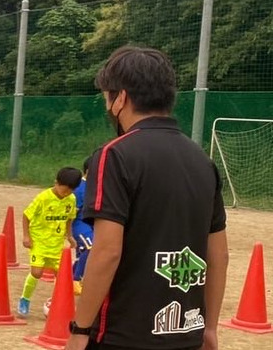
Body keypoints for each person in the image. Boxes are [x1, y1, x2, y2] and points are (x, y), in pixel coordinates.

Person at [66, 46, 228, 350]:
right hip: (187, 332)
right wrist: (210, 327)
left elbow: (107, 252)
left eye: (107, 98)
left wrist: (80, 329)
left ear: (121, 98)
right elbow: (218, 255)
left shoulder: (114, 155)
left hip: (124, 334)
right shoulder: (202, 161)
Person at [18, 167, 81, 318]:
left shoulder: (71, 199)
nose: (66, 194)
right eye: (64, 190)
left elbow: (70, 218)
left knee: (62, 276)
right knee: (37, 272)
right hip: (39, 241)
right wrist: (26, 236)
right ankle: (24, 299)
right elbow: (26, 216)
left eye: (70, 191)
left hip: (57, 243)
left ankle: (56, 303)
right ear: (56, 183)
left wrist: (70, 236)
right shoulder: (43, 198)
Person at [72, 156, 93, 295]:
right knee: (92, 246)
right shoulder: (79, 189)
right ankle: (76, 280)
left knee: (83, 252)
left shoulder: (97, 186)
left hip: (92, 225)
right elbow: (73, 214)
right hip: (80, 224)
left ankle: (69, 276)